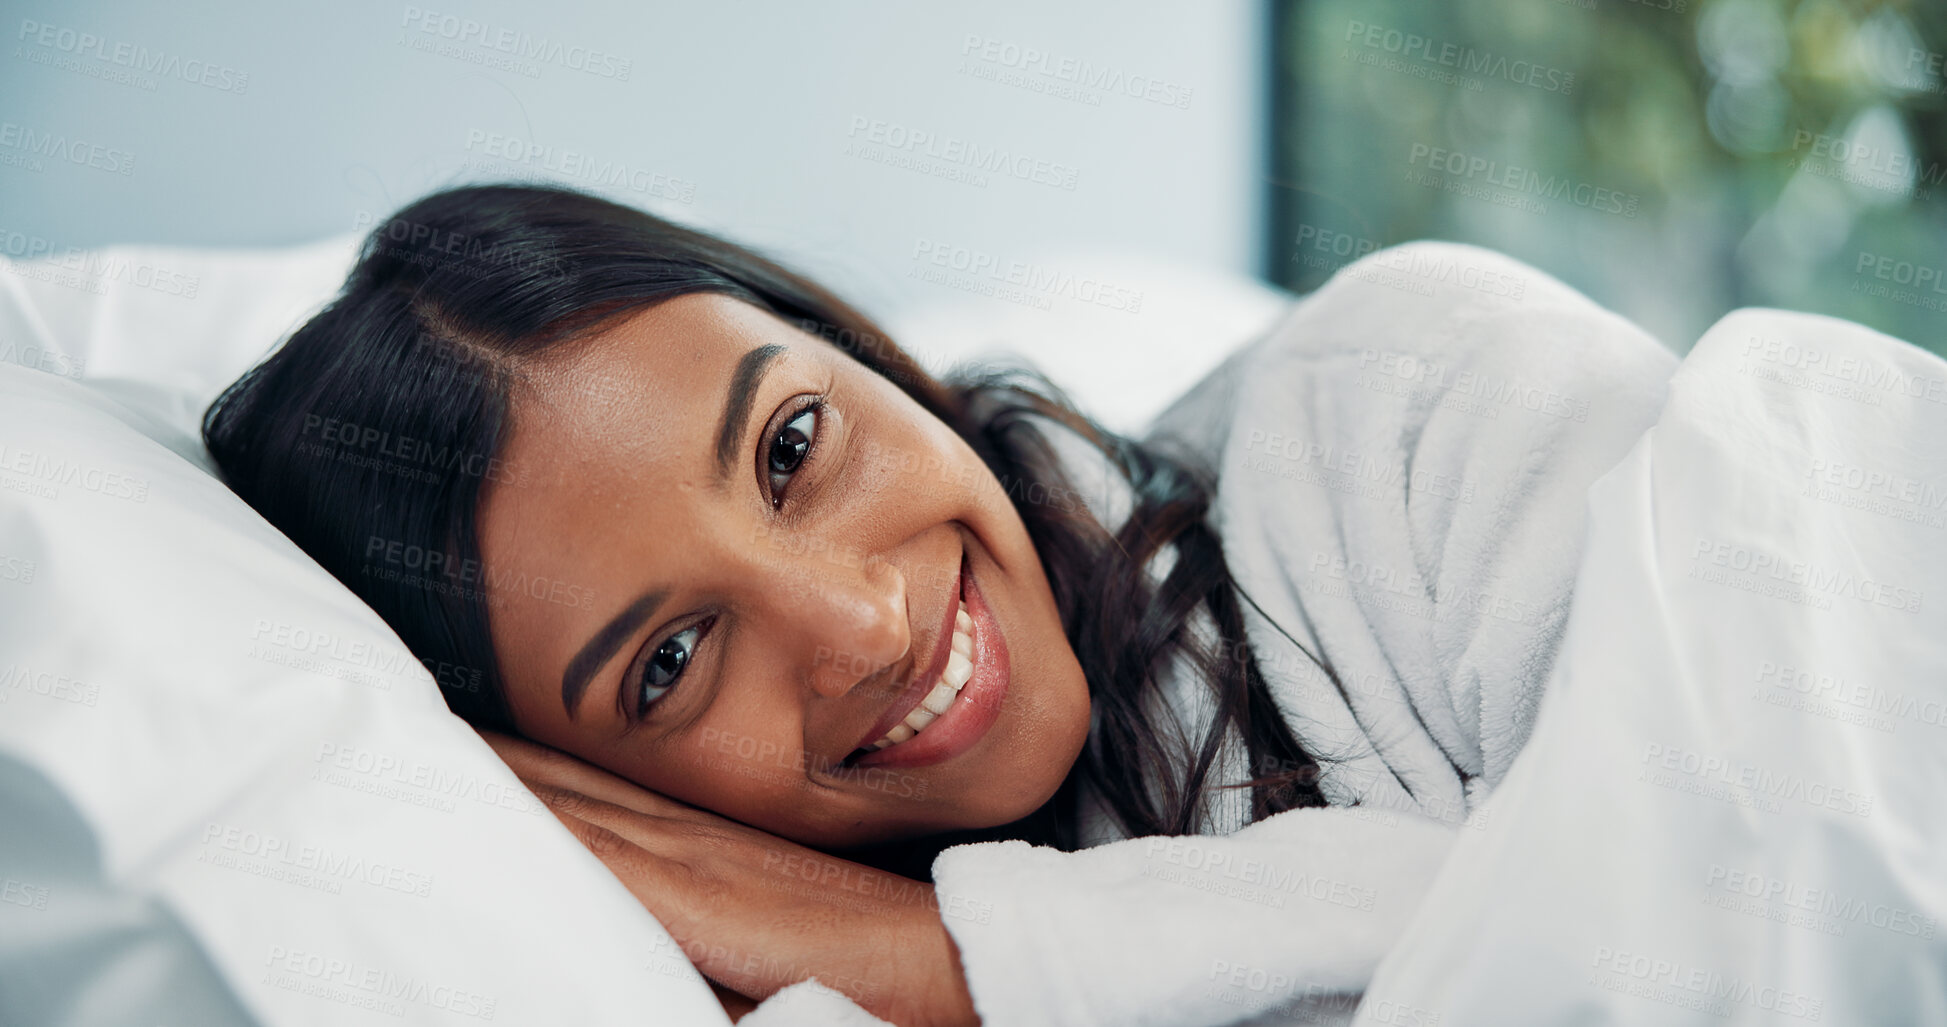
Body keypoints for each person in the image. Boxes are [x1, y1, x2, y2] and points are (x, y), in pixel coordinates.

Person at [202, 184, 1673, 1025]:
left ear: (852, 348)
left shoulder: (1403, 408)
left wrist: (960, 955)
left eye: (791, 448)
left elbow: (1681, 911)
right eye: (672, 661)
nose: (859, 628)